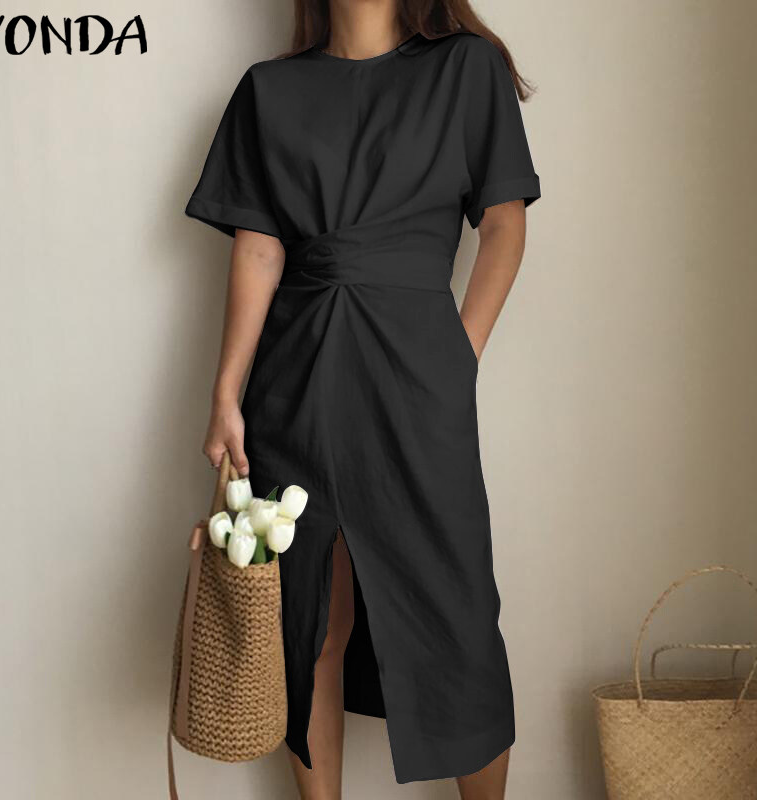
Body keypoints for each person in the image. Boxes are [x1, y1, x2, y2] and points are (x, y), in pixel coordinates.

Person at [184, 2, 540, 797]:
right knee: (307, 623)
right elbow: (260, 248)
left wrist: (458, 358)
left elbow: (504, 225)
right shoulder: (268, 90)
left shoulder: (464, 68)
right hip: (294, 383)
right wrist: (226, 393)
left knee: (456, 623)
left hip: (418, 380)